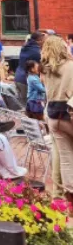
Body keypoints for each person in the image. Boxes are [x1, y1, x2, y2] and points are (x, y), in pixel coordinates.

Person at [40, 35, 73, 206]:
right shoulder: (71, 66)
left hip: (53, 116)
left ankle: (68, 195)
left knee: (66, 157)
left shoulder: (46, 70)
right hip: (69, 114)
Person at [16, 31, 44, 105]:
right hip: (26, 79)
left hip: (18, 76)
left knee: (22, 104)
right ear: (39, 40)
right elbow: (41, 66)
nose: (43, 42)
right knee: (29, 105)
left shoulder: (25, 47)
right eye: (42, 40)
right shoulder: (36, 51)